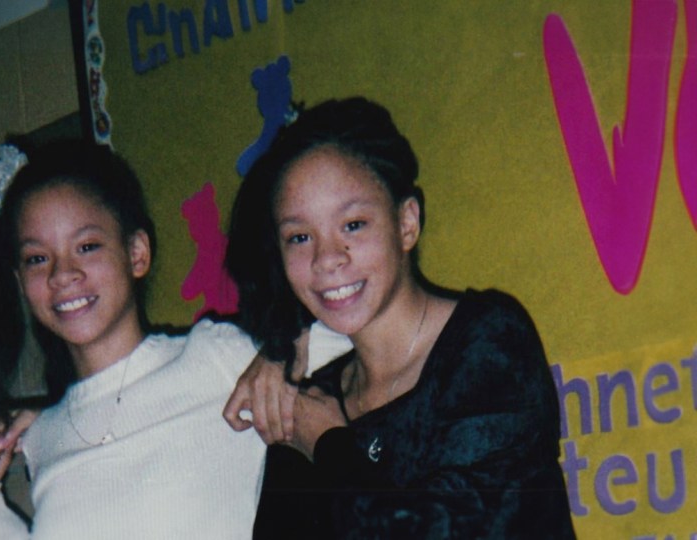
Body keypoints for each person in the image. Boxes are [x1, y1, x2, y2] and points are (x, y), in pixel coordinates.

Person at [0, 140, 350, 539]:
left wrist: (284, 352)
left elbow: (362, 331)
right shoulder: (42, 436)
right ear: (20, 281)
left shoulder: (213, 357)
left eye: (87, 246)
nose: (61, 274)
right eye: (37, 258)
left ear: (136, 253)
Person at [224, 97, 577, 538]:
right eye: (299, 236)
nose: (327, 258)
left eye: (353, 224)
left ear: (406, 223)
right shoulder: (312, 401)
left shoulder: (488, 342)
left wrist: (329, 446)